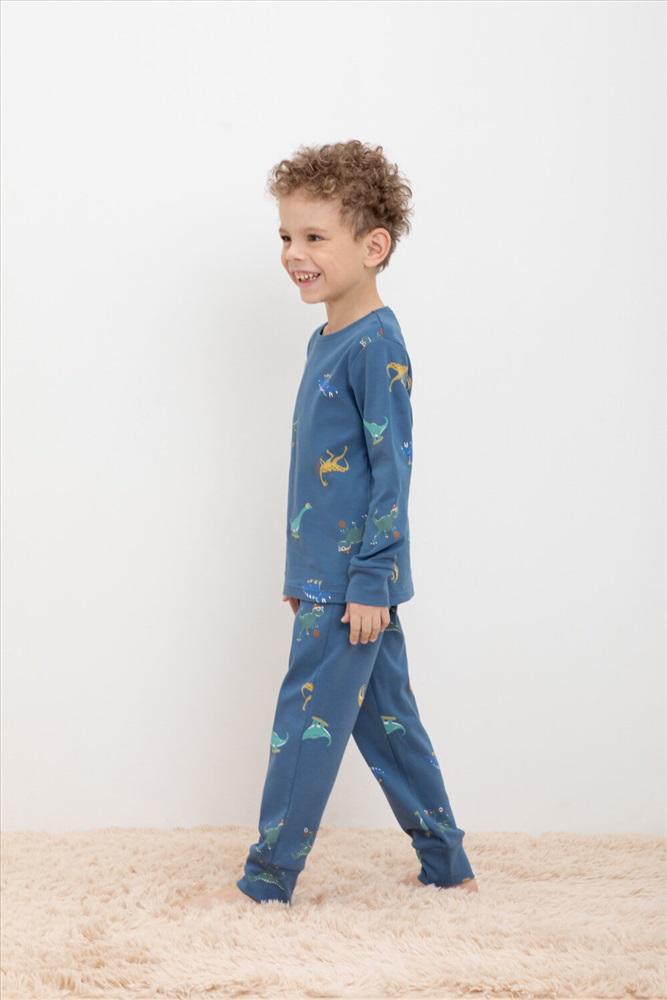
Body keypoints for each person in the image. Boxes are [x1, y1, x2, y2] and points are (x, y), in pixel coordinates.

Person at [189, 140, 476, 907]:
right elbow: (320, 475)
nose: (294, 253)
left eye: (314, 237)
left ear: (372, 246)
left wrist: (370, 578)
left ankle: (266, 879)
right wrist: (301, 570)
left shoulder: (376, 344)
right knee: (388, 724)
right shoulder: (324, 339)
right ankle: (446, 864)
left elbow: (391, 471)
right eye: (286, 236)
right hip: (327, 576)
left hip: (354, 583)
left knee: (303, 724)